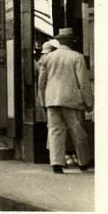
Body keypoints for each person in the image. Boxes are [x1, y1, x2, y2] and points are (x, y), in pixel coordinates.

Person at [38, 28, 94, 174]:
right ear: (71, 41)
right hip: (71, 100)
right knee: (78, 131)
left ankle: (56, 163)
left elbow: (41, 83)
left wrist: (43, 101)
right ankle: (84, 162)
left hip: (52, 100)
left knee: (55, 130)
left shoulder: (47, 58)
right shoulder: (77, 57)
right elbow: (83, 82)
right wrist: (89, 102)